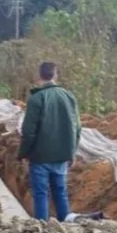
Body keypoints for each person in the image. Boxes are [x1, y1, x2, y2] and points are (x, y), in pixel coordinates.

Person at [18, 62, 81, 222]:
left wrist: (23, 153)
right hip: (61, 156)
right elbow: (77, 127)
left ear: (38, 76)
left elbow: (29, 131)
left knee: (41, 194)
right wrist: (72, 152)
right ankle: (67, 230)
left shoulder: (36, 98)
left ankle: (42, 232)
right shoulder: (69, 96)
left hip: (40, 156)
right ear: (55, 75)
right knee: (60, 192)